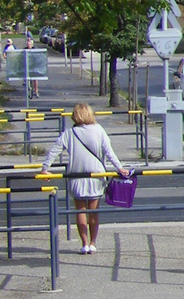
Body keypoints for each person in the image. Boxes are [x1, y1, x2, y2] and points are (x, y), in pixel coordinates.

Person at [44, 103, 129, 255]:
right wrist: (119, 167)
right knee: (94, 211)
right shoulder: (98, 130)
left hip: (76, 175)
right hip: (96, 175)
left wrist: (45, 168)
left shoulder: (69, 133)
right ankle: (93, 242)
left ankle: (84, 243)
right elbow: (109, 152)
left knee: (80, 211)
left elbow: (54, 150)